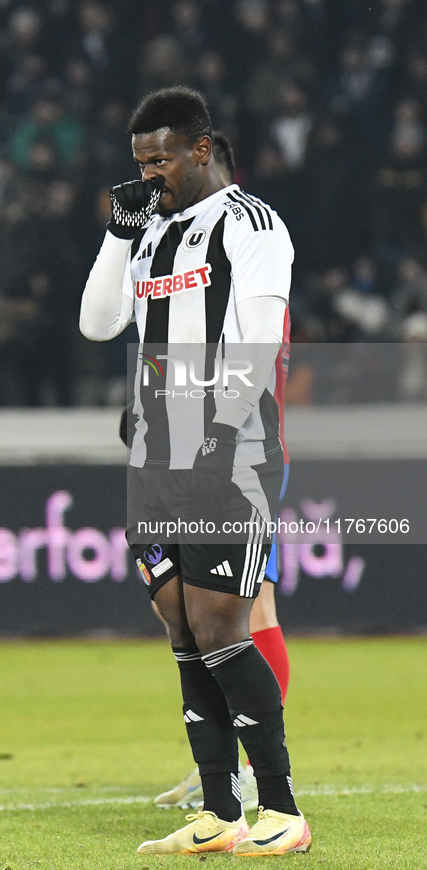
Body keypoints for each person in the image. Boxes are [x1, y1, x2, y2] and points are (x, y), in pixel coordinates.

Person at [80, 87, 310, 857]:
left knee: (223, 626)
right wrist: (119, 235)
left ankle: (279, 809)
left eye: (162, 160)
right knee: (180, 626)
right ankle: (218, 814)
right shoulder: (151, 236)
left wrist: (221, 428)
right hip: (155, 456)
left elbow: (253, 336)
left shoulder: (249, 224)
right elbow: (98, 322)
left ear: (201, 149)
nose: (150, 176)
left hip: (227, 452)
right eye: (139, 163)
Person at [152, 131, 291, 814]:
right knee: (209, 619)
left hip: (242, 458)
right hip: (200, 451)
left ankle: (251, 773)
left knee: (246, 613)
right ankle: (223, 778)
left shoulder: (250, 251)